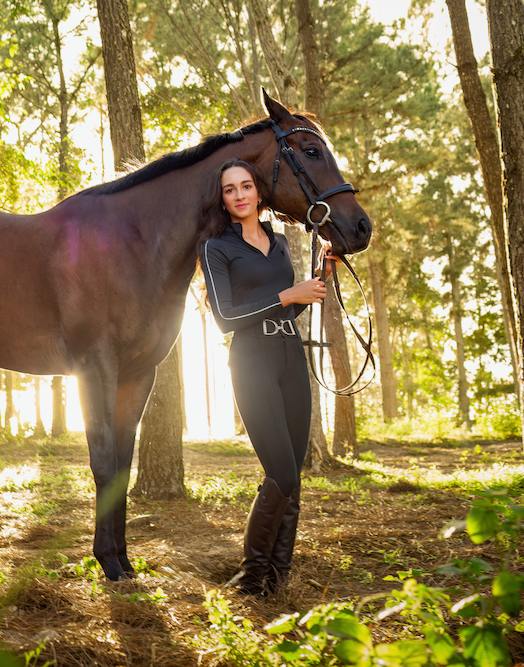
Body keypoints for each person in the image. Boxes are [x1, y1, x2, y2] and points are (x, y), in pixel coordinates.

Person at [196, 157, 330, 597]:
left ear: (257, 191)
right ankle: (253, 578)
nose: (239, 195)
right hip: (251, 360)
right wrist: (288, 293)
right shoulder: (217, 248)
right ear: (223, 198)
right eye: (230, 189)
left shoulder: (277, 240)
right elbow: (226, 318)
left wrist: (313, 285)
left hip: (290, 353)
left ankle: (278, 576)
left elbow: (287, 305)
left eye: (246, 186)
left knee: (294, 475)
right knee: (282, 474)